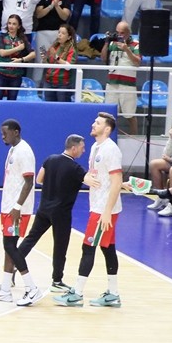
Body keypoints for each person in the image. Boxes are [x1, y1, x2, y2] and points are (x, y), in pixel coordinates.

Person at [53, 112, 123, 309]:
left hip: (103, 209)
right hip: (99, 205)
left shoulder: (111, 150)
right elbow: (112, 179)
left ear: (107, 129)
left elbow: (116, 181)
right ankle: (113, 294)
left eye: (98, 123)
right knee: (107, 248)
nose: (93, 124)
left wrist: (107, 211)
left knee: (88, 247)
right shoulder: (95, 147)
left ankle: (77, 293)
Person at [11, 134, 86, 303]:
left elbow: (39, 179)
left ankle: (13, 267)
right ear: (73, 148)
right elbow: (90, 181)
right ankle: (57, 281)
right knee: (60, 246)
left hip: (44, 208)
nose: (84, 150)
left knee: (30, 239)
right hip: (61, 212)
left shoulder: (50, 159)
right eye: (82, 147)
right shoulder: (76, 169)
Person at [0, 119, 38, 305]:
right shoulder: (13, 149)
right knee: (8, 247)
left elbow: (29, 183)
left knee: (10, 246)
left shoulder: (24, 151)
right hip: (9, 207)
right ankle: (5, 290)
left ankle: (31, 288)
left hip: (17, 209)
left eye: (5, 133)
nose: (2, 136)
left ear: (16, 132)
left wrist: (17, 207)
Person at [102, 21, 141, 135]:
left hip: (127, 85)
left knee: (130, 115)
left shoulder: (135, 44)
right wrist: (106, 42)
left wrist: (126, 49)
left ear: (129, 33)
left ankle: (134, 140)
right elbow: (104, 59)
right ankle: (110, 137)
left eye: (122, 33)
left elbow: (137, 62)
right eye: (117, 33)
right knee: (109, 115)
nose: (119, 35)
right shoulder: (112, 44)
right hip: (112, 83)